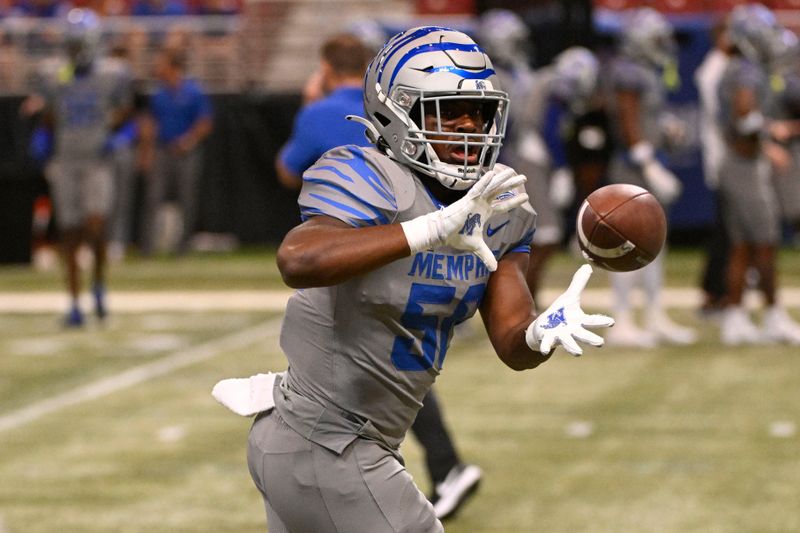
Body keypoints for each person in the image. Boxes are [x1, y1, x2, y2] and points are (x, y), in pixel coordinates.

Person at [244, 26, 614, 532]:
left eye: (479, 114)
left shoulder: (500, 207)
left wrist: (540, 332)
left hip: (358, 443)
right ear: (398, 113)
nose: (469, 128)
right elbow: (299, 259)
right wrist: (430, 228)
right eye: (448, 112)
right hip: (323, 438)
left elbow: (511, 341)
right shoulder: (366, 174)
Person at [274, 32, 482, 520]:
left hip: (360, 250)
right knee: (400, 355)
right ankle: (445, 464)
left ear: (325, 68)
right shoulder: (405, 109)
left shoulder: (321, 113)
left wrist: (311, 105)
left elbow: (286, 172)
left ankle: (434, 466)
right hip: (431, 248)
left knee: (347, 365)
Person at [477, 10, 600, 309]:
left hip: (525, 158)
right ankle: (521, 299)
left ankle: (525, 298)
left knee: (536, 235)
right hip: (517, 159)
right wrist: (556, 166)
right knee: (542, 233)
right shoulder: (492, 78)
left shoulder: (522, 73)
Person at [26, 8, 133, 326]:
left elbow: (127, 115)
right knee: (69, 233)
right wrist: (43, 137)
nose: (73, 50)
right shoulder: (56, 74)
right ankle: (74, 302)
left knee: (95, 227)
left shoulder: (111, 73)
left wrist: (120, 138)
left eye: (78, 43)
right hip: (66, 161)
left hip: (97, 160)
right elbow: (49, 115)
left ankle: (98, 285)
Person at [603, 7, 697, 348]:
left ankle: (654, 315)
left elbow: (645, 117)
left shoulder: (646, 70)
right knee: (627, 243)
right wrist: (650, 164)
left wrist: (665, 129)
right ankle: (623, 320)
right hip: (633, 167)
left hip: (647, 162)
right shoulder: (628, 72)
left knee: (653, 244)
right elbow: (628, 120)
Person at [716, 4, 800, 346]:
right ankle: (773, 316)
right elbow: (745, 118)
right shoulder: (746, 71)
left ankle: (735, 317)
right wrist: (770, 139)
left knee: (743, 246)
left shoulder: (737, 67)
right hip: (744, 165)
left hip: (737, 162)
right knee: (764, 243)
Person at [140, 46, 213, 256]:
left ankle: (183, 247)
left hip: (186, 153)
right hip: (163, 150)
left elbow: (205, 122)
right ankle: (148, 248)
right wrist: (147, 152)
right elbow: (151, 123)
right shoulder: (158, 93)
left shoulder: (193, 91)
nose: (157, 67)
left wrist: (188, 141)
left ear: (173, 66)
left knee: (187, 199)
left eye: (161, 63)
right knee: (153, 197)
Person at [695, 17, 734, 318]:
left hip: (730, 156)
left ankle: (720, 290)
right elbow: (726, 117)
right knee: (726, 229)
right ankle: (714, 291)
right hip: (726, 158)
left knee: (730, 229)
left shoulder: (724, 67)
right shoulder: (715, 69)